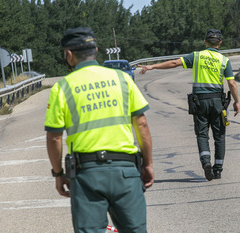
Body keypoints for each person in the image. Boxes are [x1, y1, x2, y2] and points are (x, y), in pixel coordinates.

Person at [45, 27, 154, 233]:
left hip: (87, 175)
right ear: (95, 49)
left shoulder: (62, 87)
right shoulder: (122, 79)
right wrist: (147, 164)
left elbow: (54, 139)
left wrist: (58, 173)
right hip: (126, 172)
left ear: (68, 54)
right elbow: (141, 125)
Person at [139, 29, 239, 181]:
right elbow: (231, 82)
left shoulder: (197, 56)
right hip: (217, 102)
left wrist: (152, 66)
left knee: (202, 134)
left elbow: (174, 63)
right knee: (219, 136)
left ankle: (206, 162)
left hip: (199, 102)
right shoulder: (224, 60)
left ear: (205, 42)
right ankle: (217, 170)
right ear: (219, 43)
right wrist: (237, 101)